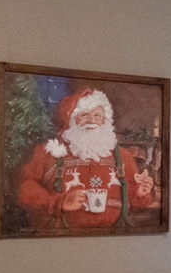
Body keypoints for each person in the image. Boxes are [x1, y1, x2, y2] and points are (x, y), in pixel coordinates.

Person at [14, 87, 160, 230]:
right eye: (84, 115)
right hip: (60, 239)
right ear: (71, 119)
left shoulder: (122, 156)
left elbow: (134, 202)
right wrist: (60, 202)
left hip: (114, 238)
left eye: (98, 116)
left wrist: (140, 193)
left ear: (106, 121)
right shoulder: (48, 152)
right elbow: (23, 188)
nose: (92, 121)